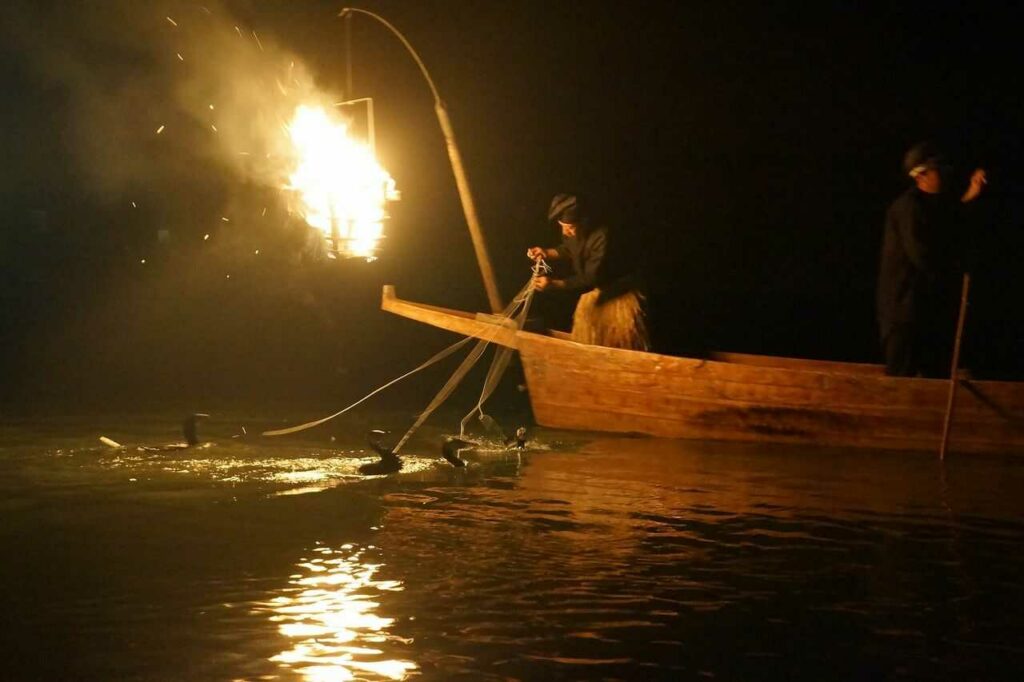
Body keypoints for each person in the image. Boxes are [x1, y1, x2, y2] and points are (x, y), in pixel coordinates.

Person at [877, 142, 987, 377]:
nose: (945, 174)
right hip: (905, 315)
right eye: (938, 169)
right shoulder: (908, 207)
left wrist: (969, 198)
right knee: (901, 385)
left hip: (925, 314)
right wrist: (958, 266)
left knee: (934, 378)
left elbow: (944, 221)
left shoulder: (930, 206)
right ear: (921, 175)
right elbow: (924, 254)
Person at [526, 193, 649, 350]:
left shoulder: (601, 237)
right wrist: (546, 252)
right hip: (594, 294)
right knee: (588, 341)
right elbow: (570, 249)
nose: (565, 233)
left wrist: (554, 284)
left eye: (570, 228)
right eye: (562, 227)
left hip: (615, 295)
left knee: (617, 347)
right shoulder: (573, 231)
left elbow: (590, 278)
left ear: (584, 222)